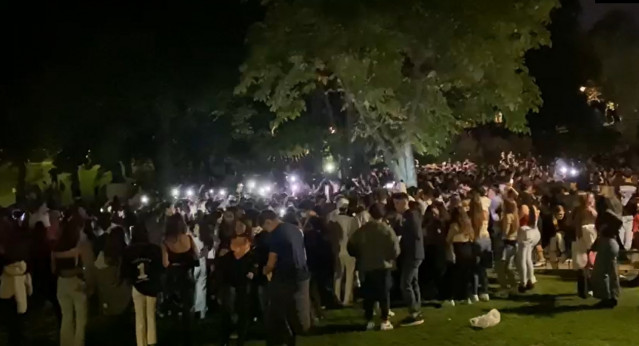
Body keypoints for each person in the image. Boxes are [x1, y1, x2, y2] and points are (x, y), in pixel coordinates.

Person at [259, 210, 311, 346]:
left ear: (268, 222)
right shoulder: (295, 229)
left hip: (284, 277)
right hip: (301, 274)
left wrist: (264, 271)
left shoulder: (277, 234)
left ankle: (278, 341)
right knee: (292, 311)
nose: (267, 232)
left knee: (275, 313)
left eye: (266, 228)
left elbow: (271, 261)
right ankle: (292, 338)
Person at [348, 203, 400, 331]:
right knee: (384, 294)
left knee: (368, 295)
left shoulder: (362, 230)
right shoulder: (386, 229)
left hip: (366, 266)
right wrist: (388, 257)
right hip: (383, 266)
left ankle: (369, 320)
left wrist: (359, 256)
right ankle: (384, 320)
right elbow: (396, 249)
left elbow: (351, 246)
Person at [52, 218, 95, 346]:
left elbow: (53, 269)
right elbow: (88, 266)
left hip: (61, 283)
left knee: (66, 317)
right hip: (76, 282)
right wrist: (90, 284)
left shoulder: (56, 247)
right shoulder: (81, 246)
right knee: (81, 320)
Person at [122, 222, 163, 346]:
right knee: (150, 316)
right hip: (151, 285)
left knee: (139, 316)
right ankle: (151, 342)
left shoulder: (129, 250)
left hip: (136, 285)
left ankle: (141, 343)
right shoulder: (154, 249)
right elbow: (159, 268)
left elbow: (125, 270)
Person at [162, 213, 198, 346]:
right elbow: (196, 255)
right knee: (188, 309)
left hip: (173, 279)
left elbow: (165, 263)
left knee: (175, 310)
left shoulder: (166, 242)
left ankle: (176, 338)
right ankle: (189, 338)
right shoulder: (188, 238)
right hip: (187, 277)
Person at [215, 233, 256, 345]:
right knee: (228, 313)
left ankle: (239, 338)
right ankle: (226, 338)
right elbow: (220, 267)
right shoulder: (227, 251)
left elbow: (255, 263)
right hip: (230, 284)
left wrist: (252, 271)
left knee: (241, 312)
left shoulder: (250, 252)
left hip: (242, 285)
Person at [392, 193, 425, 326]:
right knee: (413, 282)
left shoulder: (410, 215)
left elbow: (416, 234)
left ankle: (414, 313)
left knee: (405, 283)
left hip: (413, 254)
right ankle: (417, 310)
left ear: (403, 202)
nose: (395, 206)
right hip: (416, 254)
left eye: (396, 203)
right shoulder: (411, 215)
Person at [327, 197, 358, 306]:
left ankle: (336, 297)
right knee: (349, 276)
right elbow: (355, 236)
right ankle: (347, 299)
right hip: (349, 251)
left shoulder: (332, 221)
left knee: (338, 275)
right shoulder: (351, 220)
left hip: (337, 250)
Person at [447, 206, 476, 305]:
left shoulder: (454, 225)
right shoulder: (468, 224)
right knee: (466, 275)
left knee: (455, 275)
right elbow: (472, 237)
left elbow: (448, 239)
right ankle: (467, 296)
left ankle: (453, 297)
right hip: (467, 248)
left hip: (457, 249)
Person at [496, 189, 519, 298]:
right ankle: (514, 286)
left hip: (506, 243)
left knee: (501, 267)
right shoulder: (516, 216)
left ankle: (504, 287)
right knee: (509, 267)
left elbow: (505, 231)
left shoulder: (507, 216)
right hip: (514, 242)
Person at [470, 192, 491, 302]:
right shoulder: (485, 213)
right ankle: (485, 291)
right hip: (486, 239)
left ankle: (474, 293)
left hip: (477, 240)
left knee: (475, 269)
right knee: (483, 269)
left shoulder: (472, 215)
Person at [516, 204, 541, 292]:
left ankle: (523, 282)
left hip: (525, 232)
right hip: (533, 231)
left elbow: (517, 221)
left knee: (522, 259)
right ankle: (531, 279)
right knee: (528, 259)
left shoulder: (523, 207)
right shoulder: (534, 207)